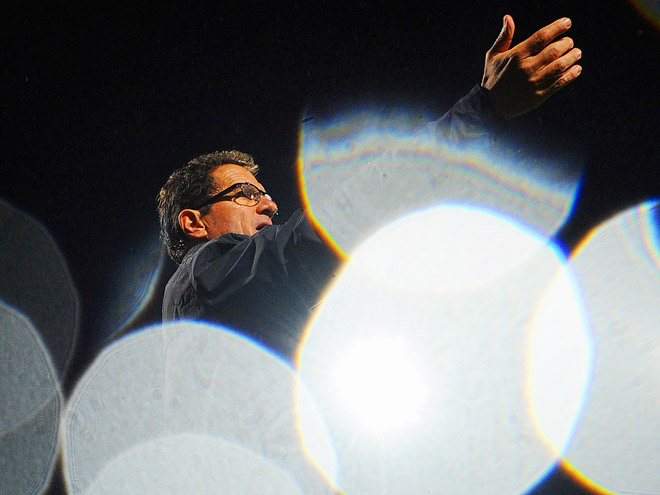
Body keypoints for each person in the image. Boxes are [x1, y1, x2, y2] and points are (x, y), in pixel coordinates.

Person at [158, 15, 582, 363]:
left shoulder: (257, 309)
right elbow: (335, 227)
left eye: (266, 194)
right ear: (193, 222)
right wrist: (481, 112)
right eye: (246, 194)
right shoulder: (202, 282)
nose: (269, 204)